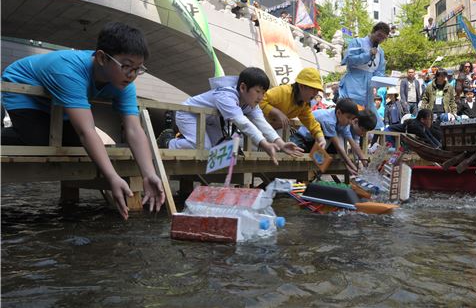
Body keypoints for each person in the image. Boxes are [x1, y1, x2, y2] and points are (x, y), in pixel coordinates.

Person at [1, 22, 165, 219]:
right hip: (24, 88)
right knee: (39, 140)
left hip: (56, 100)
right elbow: (86, 131)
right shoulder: (69, 70)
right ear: (102, 58)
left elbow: (133, 129)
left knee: (76, 144)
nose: (131, 75)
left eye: (138, 69)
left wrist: (149, 174)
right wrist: (112, 177)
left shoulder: (124, 82)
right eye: (127, 66)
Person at [167, 68, 303, 163]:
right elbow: (243, 122)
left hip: (209, 120)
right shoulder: (226, 95)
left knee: (219, 149)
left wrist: (280, 143)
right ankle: (169, 143)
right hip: (189, 114)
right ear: (243, 87)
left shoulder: (251, 103)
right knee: (205, 148)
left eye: (263, 92)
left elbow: (262, 123)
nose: (261, 97)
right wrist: (265, 144)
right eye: (257, 91)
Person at [339, 22, 390, 128]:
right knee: (352, 113)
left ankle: (368, 142)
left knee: (370, 119)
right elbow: (349, 60)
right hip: (354, 83)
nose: (380, 39)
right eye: (379, 35)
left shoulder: (381, 52)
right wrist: (368, 55)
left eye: (383, 38)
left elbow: (379, 70)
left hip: (369, 88)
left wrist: (383, 80)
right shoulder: (357, 42)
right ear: (373, 32)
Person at [259, 67, 326, 149]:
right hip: (257, 127)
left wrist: (321, 138)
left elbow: (311, 123)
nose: (316, 93)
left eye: (317, 90)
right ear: (302, 86)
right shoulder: (282, 91)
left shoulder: (304, 105)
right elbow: (259, 100)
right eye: (314, 89)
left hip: (272, 131)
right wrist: (276, 112)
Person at [290, 98, 361, 175]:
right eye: (348, 117)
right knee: (295, 152)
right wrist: (352, 166)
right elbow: (339, 147)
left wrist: (362, 161)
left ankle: (316, 174)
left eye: (352, 119)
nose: (350, 122)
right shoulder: (329, 121)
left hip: (316, 144)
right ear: (338, 113)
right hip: (302, 139)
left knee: (330, 155)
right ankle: (312, 175)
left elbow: (353, 143)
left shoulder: (344, 122)